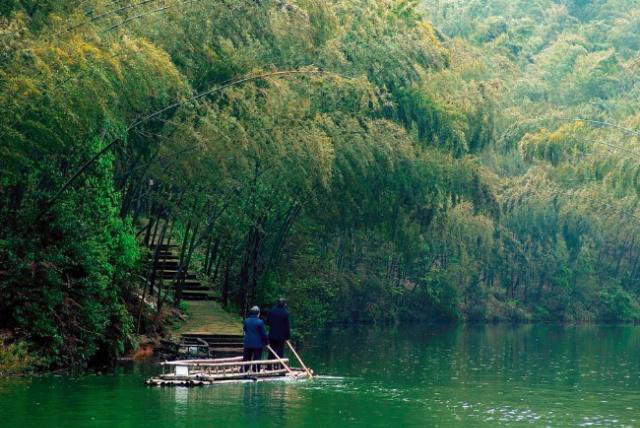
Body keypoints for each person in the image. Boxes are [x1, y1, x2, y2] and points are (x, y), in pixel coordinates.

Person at [242, 305, 268, 372]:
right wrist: (267, 342)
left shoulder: (246, 321)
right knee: (257, 359)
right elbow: (263, 334)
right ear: (258, 313)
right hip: (257, 344)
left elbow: (244, 329)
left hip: (247, 343)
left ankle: (244, 371)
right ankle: (255, 371)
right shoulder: (260, 322)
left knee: (246, 358)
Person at [266, 298, 291, 366]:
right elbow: (287, 326)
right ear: (284, 304)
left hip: (272, 335)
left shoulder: (271, 311)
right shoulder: (285, 313)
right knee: (280, 352)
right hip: (281, 336)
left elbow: (267, 322)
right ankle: (280, 368)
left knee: (271, 352)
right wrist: (287, 337)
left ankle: (269, 367)